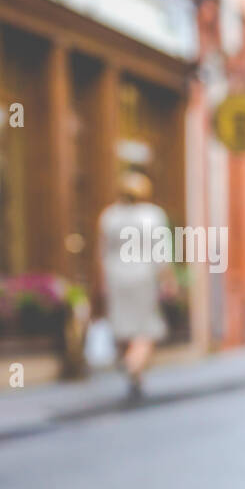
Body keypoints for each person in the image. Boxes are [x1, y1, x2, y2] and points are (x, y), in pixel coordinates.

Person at [97, 171, 171, 400]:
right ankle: (132, 364)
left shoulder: (109, 216)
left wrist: (102, 281)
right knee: (145, 328)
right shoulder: (153, 216)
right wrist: (168, 280)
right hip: (142, 277)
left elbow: (101, 253)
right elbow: (162, 254)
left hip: (116, 278)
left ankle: (134, 375)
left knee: (123, 327)